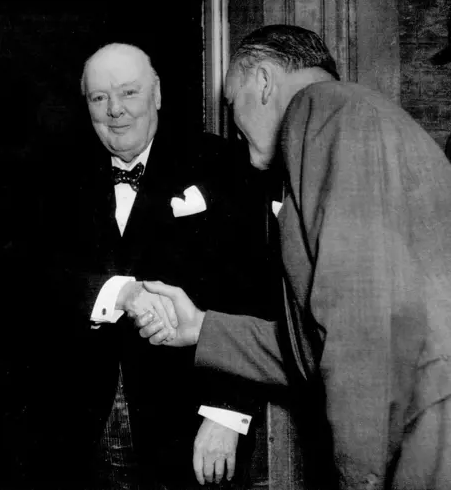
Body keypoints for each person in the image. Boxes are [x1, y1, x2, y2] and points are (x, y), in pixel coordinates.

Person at [136, 24, 451, 490]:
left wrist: (359, 480)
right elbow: (314, 348)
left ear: (263, 82)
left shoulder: (322, 110)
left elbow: (359, 330)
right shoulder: (356, 115)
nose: (232, 124)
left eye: (232, 101)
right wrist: (200, 326)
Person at [10, 42, 281, 490]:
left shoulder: (223, 164)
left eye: (129, 93)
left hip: (191, 426)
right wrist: (116, 293)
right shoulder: (53, 173)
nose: (115, 110)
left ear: (156, 94)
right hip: (74, 430)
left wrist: (227, 414)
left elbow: (257, 290)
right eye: (99, 98)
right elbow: (32, 278)